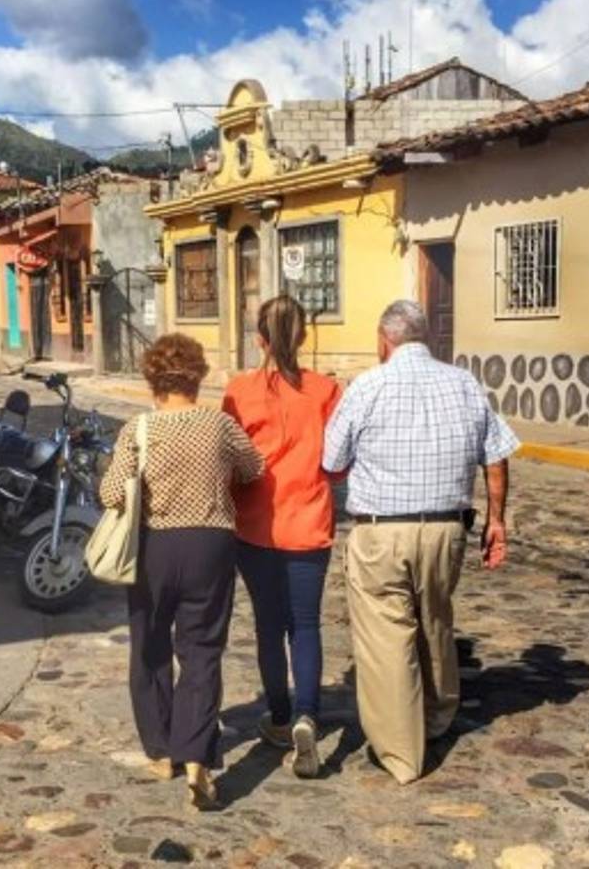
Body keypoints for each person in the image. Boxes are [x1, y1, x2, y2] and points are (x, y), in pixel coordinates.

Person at [323, 300, 518, 785]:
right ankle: (437, 717)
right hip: (446, 530)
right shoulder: (465, 383)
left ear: (383, 339)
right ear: (424, 337)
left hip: (381, 531)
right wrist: (497, 520)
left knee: (387, 637)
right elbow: (495, 458)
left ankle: (400, 752)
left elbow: (332, 461)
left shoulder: (367, 386)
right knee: (433, 617)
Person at [99, 333, 264, 811]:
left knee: (149, 646)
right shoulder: (220, 426)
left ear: (153, 380)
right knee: (201, 651)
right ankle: (196, 759)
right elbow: (254, 469)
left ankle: (161, 751)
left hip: (154, 547)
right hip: (210, 545)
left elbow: (111, 494)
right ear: (197, 377)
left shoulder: (140, 430)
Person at [222, 295, 341, 779]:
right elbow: (338, 460)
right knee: (307, 625)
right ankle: (308, 716)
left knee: (270, 628)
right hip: (309, 525)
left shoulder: (239, 391)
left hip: (253, 529)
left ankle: (276, 717)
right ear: (304, 337)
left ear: (260, 339)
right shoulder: (328, 390)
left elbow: (226, 459)